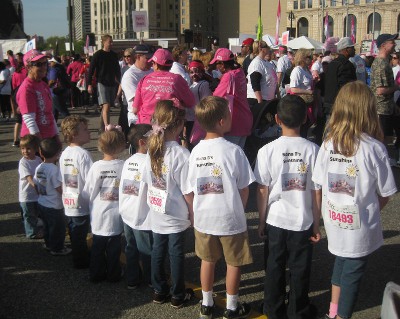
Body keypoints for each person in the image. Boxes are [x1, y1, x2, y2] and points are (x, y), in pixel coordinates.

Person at [312, 81, 397, 319]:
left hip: (333, 218)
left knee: (342, 265)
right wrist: (371, 209)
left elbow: (318, 183)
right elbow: (387, 192)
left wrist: (319, 218)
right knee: (352, 272)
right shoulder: (374, 148)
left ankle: (333, 311)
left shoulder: (328, 144)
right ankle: (341, 315)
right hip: (359, 225)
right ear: (368, 110)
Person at [184, 96, 254, 319]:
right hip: (230, 218)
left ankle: (206, 304)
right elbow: (244, 188)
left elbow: (189, 190)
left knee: (207, 260)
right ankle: (231, 307)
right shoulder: (233, 151)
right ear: (222, 121)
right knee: (234, 263)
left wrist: (193, 214)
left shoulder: (195, 152)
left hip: (204, 218)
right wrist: (239, 210)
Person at [254, 95, 321, 319]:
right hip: (302, 220)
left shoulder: (267, 151)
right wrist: (317, 224)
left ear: (276, 119)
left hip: (275, 219)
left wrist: (261, 221)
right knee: (300, 268)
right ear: (305, 119)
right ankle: (298, 311)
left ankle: (272, 309)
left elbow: (262, 189)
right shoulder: (313, 150)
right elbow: (316, 190)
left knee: (274, 266)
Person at [142, 100, 194, 308]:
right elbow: (187, 190)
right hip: (175, 212)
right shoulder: (181, 154)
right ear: (180, 125)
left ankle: (159, 290)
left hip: (157, 210)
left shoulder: (151, 149)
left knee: (158, 250)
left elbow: (147, 180)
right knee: (175, 253)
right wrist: (192, 214)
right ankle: (177, 294)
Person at [81, 127, 126, 282]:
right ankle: (113, 274)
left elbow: (89, 190)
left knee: (97, 247)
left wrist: (88, 205)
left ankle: (96, 273)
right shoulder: (123, 166)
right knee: (114, 248)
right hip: (116, 213)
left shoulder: (96, 167)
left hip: (99, 213)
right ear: (120, 146)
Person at [119, 124, 153, 289]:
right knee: (146, 249)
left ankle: (132, 279)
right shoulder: (148, 162)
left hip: (127, 212)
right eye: (153, 137)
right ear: (142, 142)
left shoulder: (128, 161)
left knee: (131, 247)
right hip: (142, 214)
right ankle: (151, 278)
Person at [59, 115, 93, 269]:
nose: (89, 132)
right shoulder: (83, 155)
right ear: (74, 134)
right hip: (82, 200)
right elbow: (90, 180)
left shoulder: (64, 153)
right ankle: (81, 261)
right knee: (80, 232)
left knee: (74, 231)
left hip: (68, 198)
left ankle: (79, 256)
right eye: (85, 130)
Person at [132, 48, 195, 125]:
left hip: (145, 125)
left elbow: (135, 110)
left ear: (155, 64)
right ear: (171, 65)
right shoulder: (177, 79)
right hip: (168, 127)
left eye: (152, 63)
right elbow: (191, 102)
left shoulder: (144, 80)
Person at [34, 138, 71, 256]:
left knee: (47, 226)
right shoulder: (54, 170)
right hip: (54, 205)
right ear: (58, 154)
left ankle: (49, 244)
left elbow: (36, 184)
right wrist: (67, 195)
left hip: (42, 202)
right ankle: (57, 248)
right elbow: (58, 188)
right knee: (58, 228)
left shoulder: (39, 167)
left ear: (40, 153)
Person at [211, 48, 253, 149]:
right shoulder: (239, 72)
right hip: (245, 120)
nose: (216, 67)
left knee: (228, 158)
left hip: (234, 123)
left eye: (217, 64)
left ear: (222, 63)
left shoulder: (229, 77)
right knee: (238, 157)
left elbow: (215, 98)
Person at [16, 49, 59, 142]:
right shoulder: (27, 88)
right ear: (28, 67)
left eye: (45, 63)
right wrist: (41, 144)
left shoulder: (43, 85)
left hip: (49, 137)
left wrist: (56, 135)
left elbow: (50, 113)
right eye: (39, 64)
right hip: (34, 141)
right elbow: (29, 119)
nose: (44, 67)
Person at [370, 33, 399, 165]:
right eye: (392, 42)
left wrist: (393, 105)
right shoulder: (381, 63)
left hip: (387, 107)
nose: (395, 44)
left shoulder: (384, 62)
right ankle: (380, 162)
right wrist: (397, 87)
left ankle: (383, 160)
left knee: (386, 137)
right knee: (381, 138)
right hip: (381, 109)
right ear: (383, 45)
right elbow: (380, 90)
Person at [88, 34, 121, 131]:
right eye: (109, 42)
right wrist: (89, 84)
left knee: (106, 108)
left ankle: (102, 128)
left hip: (112, 83)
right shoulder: (98, 54)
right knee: (106, 105)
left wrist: (120, 82)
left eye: (112, 42)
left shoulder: (114, 55)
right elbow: (91, 70)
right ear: (104, 42)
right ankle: (107, 127)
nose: (111, 44)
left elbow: (117, 70)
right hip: (101, 82)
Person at [120, 45, 153, 137]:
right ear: (138, 57)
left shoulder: (153, 71)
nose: (151, 61)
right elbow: (137, 101)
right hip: (137, 120)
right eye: (148, 58)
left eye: (152, 58)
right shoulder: (130, 75)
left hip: (153, 119)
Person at [323, 37, 356, 118]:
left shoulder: (332, 64)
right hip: (341, 106)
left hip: (329, 104)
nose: (354, 50)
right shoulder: (347, 65)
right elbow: (347, 88)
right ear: (346, 49)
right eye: (352, 48)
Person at [18, 134, 43, 239]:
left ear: (35, 149)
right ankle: (31, 233)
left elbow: (42, 173)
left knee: (38, 214)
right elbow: (29, 178)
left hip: (37, 194)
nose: (25, 151)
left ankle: (39, 230)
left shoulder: (38, 159)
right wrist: (37, 186)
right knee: (29, 215)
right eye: (23, 148)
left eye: (28, 148)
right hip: (27, 195)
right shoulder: (23, 162)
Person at [187, 60, 212, 147]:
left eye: (197, 72)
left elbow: (206, 102)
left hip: (198, 120)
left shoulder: (204, 84)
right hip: (189, 119)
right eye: (191, 72)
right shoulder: (191, 84)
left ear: (202, 72)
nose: (194, 74)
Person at [246, 41, 278, 107]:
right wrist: (260, 101)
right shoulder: (257, 63)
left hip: (267, 99)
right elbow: (255, 82)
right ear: (261, 49)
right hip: (257, 100)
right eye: (267, 47)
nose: (269, 49)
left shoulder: (266, 63)